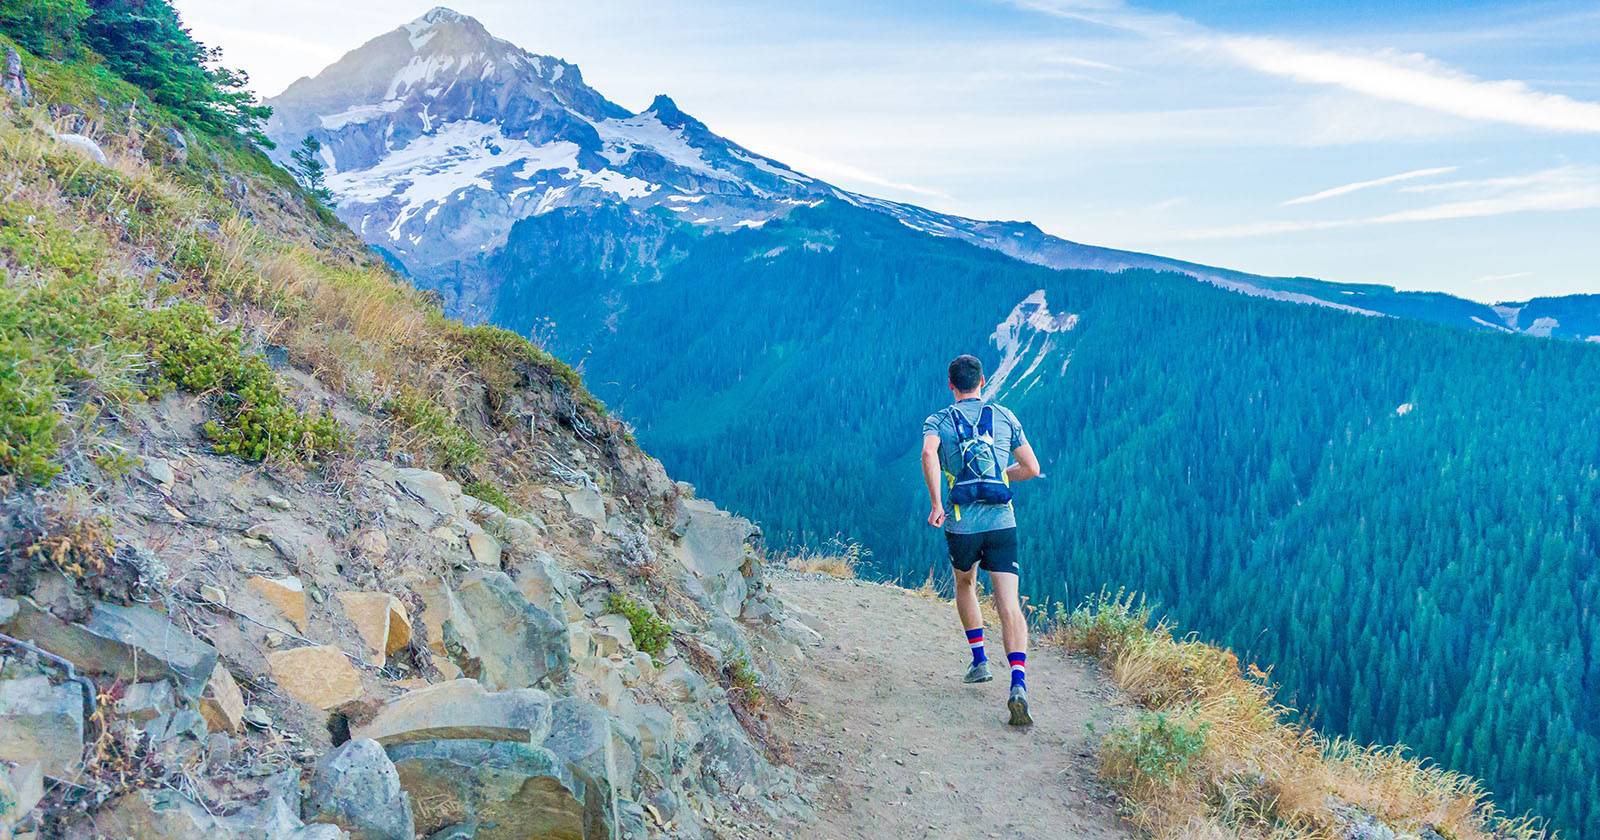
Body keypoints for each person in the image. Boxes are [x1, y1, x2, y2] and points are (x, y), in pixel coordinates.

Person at [921, 354, 1043, 726]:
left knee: (965, 584)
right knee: (1009, 603)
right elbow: (1032, 468)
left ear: (951, 385)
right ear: (983, 381)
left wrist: (937, 503)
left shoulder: (938, 420)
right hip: (1002, 522)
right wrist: (1002, 475)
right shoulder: (1004, 416)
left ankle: (980, 661)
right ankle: (1018, 682)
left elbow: (928, 452)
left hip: (962, 525)